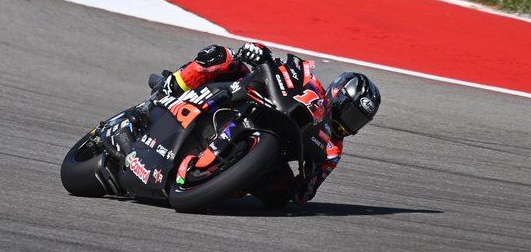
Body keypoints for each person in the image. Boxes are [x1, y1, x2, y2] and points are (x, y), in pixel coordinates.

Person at [99, 41, 381, 205]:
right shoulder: (312, 86)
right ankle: (167, 90)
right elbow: (280, 65)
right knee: (221, 56)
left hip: (268, 148)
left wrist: (305, 174)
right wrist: (260, 53)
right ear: (337, 95)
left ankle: (215, 178)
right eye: (350, 111)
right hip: (248, 99)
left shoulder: (333, 150)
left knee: (280, 197)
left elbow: (305, 193)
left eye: (358, 120)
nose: (349, 122)